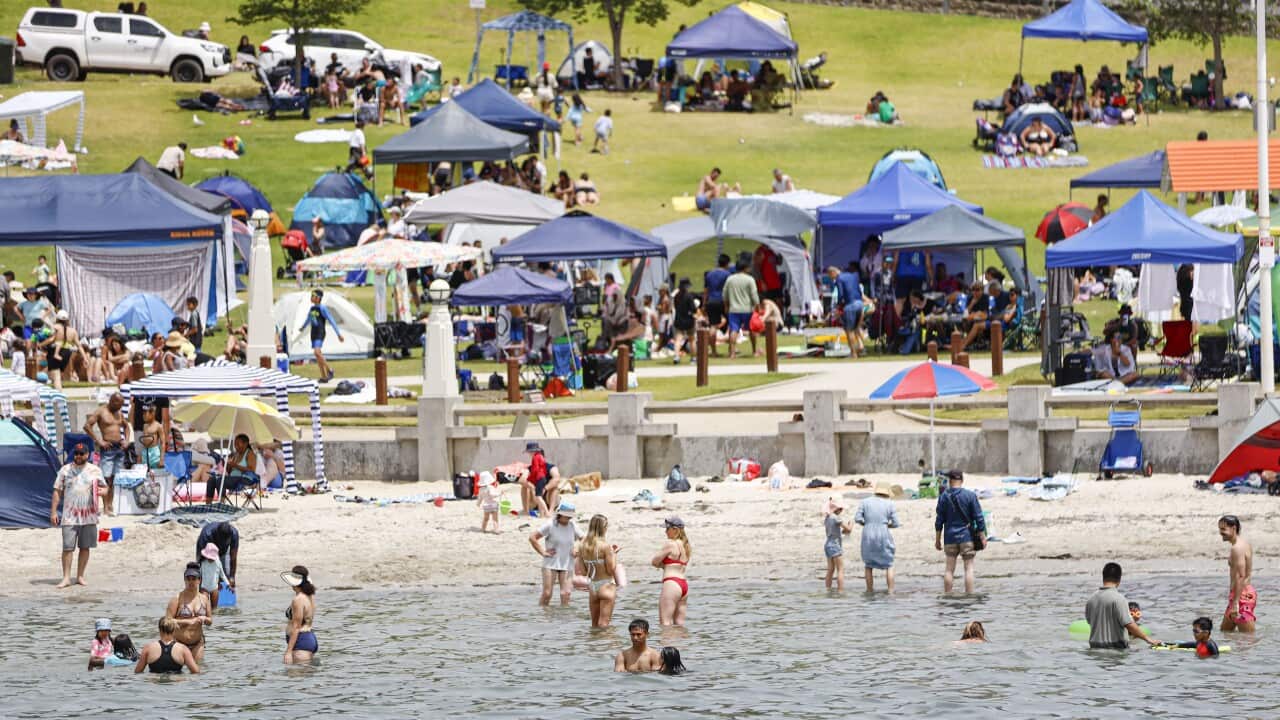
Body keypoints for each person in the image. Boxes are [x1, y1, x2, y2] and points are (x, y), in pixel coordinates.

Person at [934, 469, 985, 594]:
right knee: (969, 569)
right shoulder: (970, 495)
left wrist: (937, 540)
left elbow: (939, 521)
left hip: (950, 538)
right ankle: (969, 596)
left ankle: (947, 597)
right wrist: (982, 536)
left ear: (949, 481)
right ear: (962, 480)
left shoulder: (943, 497)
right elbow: (979, 517)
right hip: (967, 537)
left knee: (949, 570)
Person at [1085, 562, 1158, 649]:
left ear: (1103, 577)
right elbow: (1129, 624)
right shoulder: (1119, 599)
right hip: (1115, 648)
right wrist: (1148, 639)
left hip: (1094, 647)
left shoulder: (1091, 599)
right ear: (1119, 579)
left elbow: (1090, 622)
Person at [529, 502, 583, 607]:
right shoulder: (550, 524)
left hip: (567, 563)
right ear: (560, 514)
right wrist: (542, 552)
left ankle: (564, 616)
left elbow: (585, 539)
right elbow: (532, 537)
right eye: (567, 516)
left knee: (565, 594)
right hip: (551, 563)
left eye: (570, 516)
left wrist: (577, 548)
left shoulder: (572, 525)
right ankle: (544, 615)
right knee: (547, 594)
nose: (569, 518)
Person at [83, 395, 128, 516]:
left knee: (114, 478)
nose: (120, 408)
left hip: (119, 448)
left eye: (121, 405)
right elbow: (87, 426)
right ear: (112, 401)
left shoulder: (118, 413)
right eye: (118, 405)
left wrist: (126, 440)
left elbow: (126, 426)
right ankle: (106, 506)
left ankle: (110, 505)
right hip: (108, 448)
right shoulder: (101, 411)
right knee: (105, 478)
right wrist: (99, 441)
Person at [576, 514, 620, 628]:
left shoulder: (583, 546)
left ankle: (595, 641)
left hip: (593, 587)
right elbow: (611, 570)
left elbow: (583, 572)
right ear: (604, 528)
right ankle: (606, 640)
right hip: (606, 585)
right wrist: (614, 554)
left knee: (594, 626)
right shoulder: (605, 547)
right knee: (604, 625)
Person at [856, 483, 901, 592]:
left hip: (868, 533)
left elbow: (857, 518)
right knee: (889, 564)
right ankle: (890, 591)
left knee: (868, 565)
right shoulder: (890, 504)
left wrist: (866, 524)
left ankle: (869, 591)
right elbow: (896, 523)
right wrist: (886, 525)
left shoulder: (864, 502)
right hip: (883, 532)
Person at [165, 563, 212, 661]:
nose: (191, 582)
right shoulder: (177, 599)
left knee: (198, 669)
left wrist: (204, 619)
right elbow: (167, 622)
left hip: (198, 643)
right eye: (188, 579)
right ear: (184, 580)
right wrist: (188, 622)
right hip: (179, 643)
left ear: (199, 580)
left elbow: (210, 621)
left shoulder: (204, 599)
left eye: (194, 578)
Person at [1219, 515, 1256, 632]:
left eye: (1223, 529)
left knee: (1248, 638)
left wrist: (1236, 603)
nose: (1220, 532)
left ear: (1234, 528)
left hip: (1242, 597)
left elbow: (1241, 576)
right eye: (1220, 529)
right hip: (1238, 595)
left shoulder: (1237, 548)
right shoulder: (1244, 544)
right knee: (1225, 632)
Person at [652, 516, 690, 626]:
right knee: (680, 625)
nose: (665, 532)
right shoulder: (686, 546)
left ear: (675, 529)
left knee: (665, 623)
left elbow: (654, 562)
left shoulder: (670, 544)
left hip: (672, 584)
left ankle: (666, 638)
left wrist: (663, 565)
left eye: (667, 529)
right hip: (683, 585)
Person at [299, 290, 344, 382]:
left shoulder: (322, 308)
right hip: (313, 333)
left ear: (318, 298)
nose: (311, 297)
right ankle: (324, 376)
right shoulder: (312, 308)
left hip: (320, 332)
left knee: (317, 352)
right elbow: (308, 319)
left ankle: (329, 370)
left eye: (313, 296)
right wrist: (302, 328)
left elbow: (331, 320)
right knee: (318, 356)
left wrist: (338, 334)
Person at [722, 259, 760, 359]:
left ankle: (732, 353)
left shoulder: (730, 279)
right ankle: (754, 351)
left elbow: (724, 294)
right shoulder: (750, 279)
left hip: (734, 309)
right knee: (751, 330)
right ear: (745, 268)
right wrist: (757, 306)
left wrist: (726, 306)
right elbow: (754, 295)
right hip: (747, 309)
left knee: (734, 330)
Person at [134, 617, 199, 674]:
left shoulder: (148, 648)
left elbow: (138, 671)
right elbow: (196, 671)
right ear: (174, 630)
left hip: (155, 681)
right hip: (175, 682)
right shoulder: (183, 649)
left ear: (159, 629)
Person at [830, 263, 869, 357]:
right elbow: (859, 291)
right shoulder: (853, 276)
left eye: (831, 276)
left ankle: (853, 353)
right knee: (857, 328)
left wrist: (839, 307)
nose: (832, 279)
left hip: (850, 305)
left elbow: (840, 294)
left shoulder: (839, 279)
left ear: (833, 273)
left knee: (849, 331)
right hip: (860, 304)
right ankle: (861, 346)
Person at [283, 565, 318, 664]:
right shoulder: (309, 595)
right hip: (309, 638)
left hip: (301, 642)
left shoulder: (298, 600)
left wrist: (288, 652)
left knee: (295, 673)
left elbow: (296, 627)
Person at [195, 520, 239, 590]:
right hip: (206, 551)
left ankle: (222, 594)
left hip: (223, 552)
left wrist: (232, 577)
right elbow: (200, 558)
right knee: (205, 575)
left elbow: (233, 557)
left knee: (225, 575)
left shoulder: (234, 534)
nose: (224, 541)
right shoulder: (207, 534)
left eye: (226, 540)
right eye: (222, 539)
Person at [823, 496, 853, 591]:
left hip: (827, 545)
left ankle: (828, 590)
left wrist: (844, 530)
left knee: (830, 570)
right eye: (841, 508)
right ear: (837, 508)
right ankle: (840, 591)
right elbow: (848, 529)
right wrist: (852, 522)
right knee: (840, 570)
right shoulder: (836, 518)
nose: (842, 510)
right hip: (835, 545)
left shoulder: (827, 517)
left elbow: (839, 531)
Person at [199, 542, 232, 610]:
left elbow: (222, 575)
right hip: (204, 588)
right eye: (210, 558)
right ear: (206, 556)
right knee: (203, 608)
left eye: (212, 558)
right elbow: (199, 575)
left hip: (214, 588)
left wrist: (228, 584)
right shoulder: (202, 563)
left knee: (214, 610)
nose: (211, 559)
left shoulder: (218, 562)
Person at [671, 278, 697, 364]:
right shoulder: (689, 296)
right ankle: (693, 358)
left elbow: (675, 307)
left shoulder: (676, 296)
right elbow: (693, 309)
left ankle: (676, 356)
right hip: (688, 320)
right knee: (692, 339)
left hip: (679, 319)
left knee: (678, 339)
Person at [138, 406, 164, 470]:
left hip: (154, 453)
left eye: (145, 413)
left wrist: (161, 459)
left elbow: (163, 443)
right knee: (145, 472)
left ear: (152, 413)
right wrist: (140, 456)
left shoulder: (158, 426)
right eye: (143, 414)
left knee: (155, 472)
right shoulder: (144, 426)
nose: (143, 416)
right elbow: (143, 442)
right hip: (145, 451)